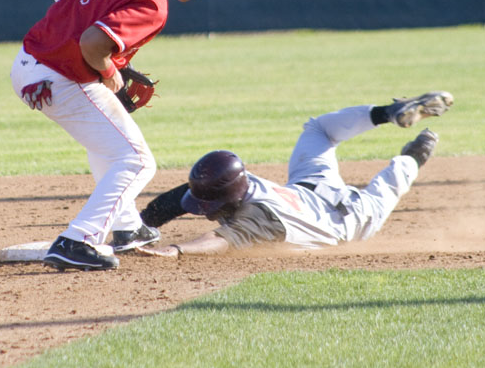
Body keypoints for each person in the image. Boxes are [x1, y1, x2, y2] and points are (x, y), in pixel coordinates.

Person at [9, 0, 233, 271]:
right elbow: (92, 43)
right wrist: (110, 69)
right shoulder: (155, 4)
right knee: (137, 160)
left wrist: (66, 35)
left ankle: (127, 227)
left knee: (112, 144)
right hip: (59, 76)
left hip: (29, 62)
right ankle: (78, 240)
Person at [135, 91, 453, 257]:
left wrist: (175, 250)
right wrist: (143, 223)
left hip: (351, 220)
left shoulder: (256, 216)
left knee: (391, 183)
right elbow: (184, 195)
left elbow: (218, 241)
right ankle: (387, 114)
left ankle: (419, 151)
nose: (204, 211)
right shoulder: (238, 181)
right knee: (318, 129)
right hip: (310, 186)